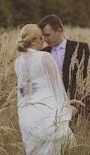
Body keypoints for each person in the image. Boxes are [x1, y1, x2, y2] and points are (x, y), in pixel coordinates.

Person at [14, 23, 74, 155]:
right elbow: (56, 86)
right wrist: (65, 108)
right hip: (47, 106)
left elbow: (23, 91)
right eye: (41, 38)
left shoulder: (19, 62)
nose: (44, 41)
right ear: (33, 41)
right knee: (56, 146)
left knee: (35, 147)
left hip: (28, 111)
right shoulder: (44, 57)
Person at [39, 14, 90, 126]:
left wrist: (76, 106)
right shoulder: (42, 53)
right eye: (43, 36)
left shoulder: (80, 48)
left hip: (79, 112)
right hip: (52, 112)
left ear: (59, 31)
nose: (45, 39)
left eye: (48, 35)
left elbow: (89, 79)